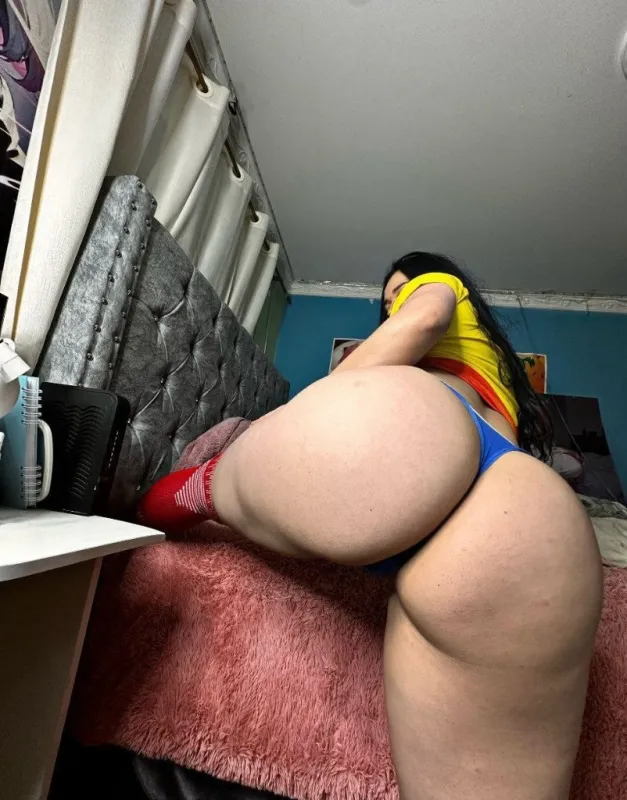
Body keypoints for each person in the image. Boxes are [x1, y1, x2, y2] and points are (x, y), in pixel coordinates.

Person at [139, 251, 603, 800]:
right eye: (389, 303)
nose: (394, 303)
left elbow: (424, 318)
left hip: (413, 430)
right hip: (526, 511)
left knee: (217, 482)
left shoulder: (438, 287)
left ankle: (196, 488)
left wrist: (305, 412)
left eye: (397, 293)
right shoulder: (500, 370)